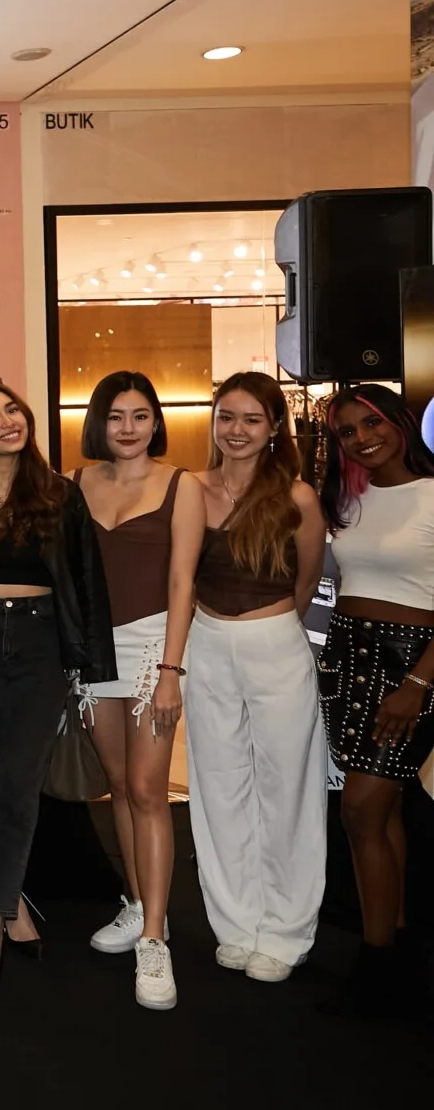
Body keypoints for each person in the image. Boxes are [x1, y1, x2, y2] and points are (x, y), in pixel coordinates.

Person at [0, 380, 116, 987]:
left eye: (12, 410)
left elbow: (86, 581)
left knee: (20, 783)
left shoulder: (59, 494)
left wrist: (89, 667)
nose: (7, 421)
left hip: (41, 641)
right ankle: (12, 901)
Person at [185, 372, 327, 986]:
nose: (236, 430)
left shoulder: (298, 497)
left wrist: (268, 633)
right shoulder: (190, 489)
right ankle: (236, 925)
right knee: (218, 787)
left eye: (250, 419)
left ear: (274, 428)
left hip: (276, 645)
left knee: (286, 788)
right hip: (206, 644)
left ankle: (287, 932)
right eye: (226, 417)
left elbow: (306, 584)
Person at [71, 372, 203, 1010]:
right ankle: (140, 902)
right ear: (99, 421)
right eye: (116, 416)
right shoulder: (77, 483)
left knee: (150, 790)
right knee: (119, 786)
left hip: (155, 646)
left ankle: (155, 938)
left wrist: (172, 669)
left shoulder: (182, 485)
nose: (128, 428)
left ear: (157, 421)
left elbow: (183, 583)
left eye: (141, 415)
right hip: (94, 651)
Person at [318, 384, 434, 1014]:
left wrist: (417, 684)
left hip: (411, 664)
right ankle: (397, 951)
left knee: (361, 809)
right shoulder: (347, 498)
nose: (362, 438)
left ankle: (378, 960)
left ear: (398, 422)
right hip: (348, 656)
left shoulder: (433, 495)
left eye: (371, 423)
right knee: (379, 815)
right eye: (347, 431)